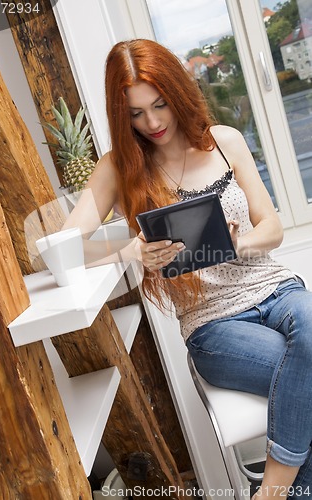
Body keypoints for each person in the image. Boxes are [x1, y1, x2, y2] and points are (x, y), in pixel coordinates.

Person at [63, 38, 312, 498]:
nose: (152, 122)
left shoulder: (225, 141)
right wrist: (130, 253)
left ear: (177, 92)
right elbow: (61, 250)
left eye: (159, 105)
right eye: (136, 113)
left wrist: (239, 243)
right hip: (213, 323)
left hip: (276, 289)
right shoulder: (119, 168)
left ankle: (273, 492)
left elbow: (272, 227)